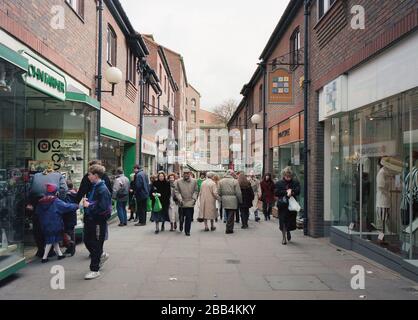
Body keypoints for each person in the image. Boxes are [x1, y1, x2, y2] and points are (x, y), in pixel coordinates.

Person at [27, 165, 68, 258]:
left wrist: (29, 203)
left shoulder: (36, 175)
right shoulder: (58, 175)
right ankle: (50, 251)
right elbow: (64, 189)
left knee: (38, 227)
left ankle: (41, 250)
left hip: (37, 202)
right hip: (51, 202)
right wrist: (59, 200)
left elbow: (29, 189)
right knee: (51, 226)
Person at [82, 164, 112, 280]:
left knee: (96, 244)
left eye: (89, 174)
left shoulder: (102, 189)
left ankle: (94, 270)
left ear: (95, 175)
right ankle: (101, 255)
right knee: (88, 241)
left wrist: (89, 205)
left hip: (98, 221)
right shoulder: (95, 186)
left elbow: (103, 207)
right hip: (91, 219)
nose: (88, 176)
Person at [35, 183, 79, 263]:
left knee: (54, 239)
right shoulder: (55, 201)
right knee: (50, 241)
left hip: (44, 224)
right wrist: (76, 205)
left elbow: (37, 212)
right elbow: (66, 207)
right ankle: (44, 258)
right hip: (55, 224)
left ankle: (60, 254)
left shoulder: (41, 201)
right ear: (55, 192)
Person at [275, 166, 301, 245]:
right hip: (282, 205)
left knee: (290, 221)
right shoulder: (279, 183)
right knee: (283, 220)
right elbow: (276, 192)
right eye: (286, 176)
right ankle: (284, 238)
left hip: (292, 206)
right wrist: (286, 192)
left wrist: (292, 192)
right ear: (284, 175)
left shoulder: (295, 182)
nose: (288, 178)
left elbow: (298, 191)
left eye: (289, 176)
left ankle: (288, 231)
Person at [174, 168, 198, 236]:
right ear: (183, 174)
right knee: (181, 217)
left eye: (187, 173)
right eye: (185, 173)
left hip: (190, 201)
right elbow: (176, 191)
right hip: (181, 202)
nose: (186, 175)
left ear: (190, 174)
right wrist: (180, 199)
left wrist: (194, 199)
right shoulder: (178, 181)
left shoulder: (194, 181)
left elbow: (196, 191)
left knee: (189, 217)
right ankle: (181, 224)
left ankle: (187, 231)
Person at [218, 169, 242, 234]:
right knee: (231, 215)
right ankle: (229, 229)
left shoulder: (221, 181)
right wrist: (240, 200)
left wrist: (221, 199)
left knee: (227, 213)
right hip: (233, 199)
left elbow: (218, 192)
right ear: (232, 174)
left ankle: (229, 228)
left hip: (224, 199)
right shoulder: (235, 181)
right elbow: (238, 192)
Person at [63, 180, 78, 256]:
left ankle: (71, 248)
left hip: (67, 216)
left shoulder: (67, 195)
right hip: (73, 215)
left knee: (68, 232)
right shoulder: (75, 193)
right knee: (71, 232)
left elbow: (67, 206)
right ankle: (71, 248)